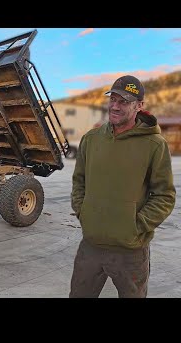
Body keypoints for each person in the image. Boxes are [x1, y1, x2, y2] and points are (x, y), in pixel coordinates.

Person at [70, 75, 176, 298]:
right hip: (91, 245)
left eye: (124, 102)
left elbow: (164, 195)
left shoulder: (154, 145)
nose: (115, 106)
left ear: (139, 106)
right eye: (113, 99)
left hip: (130, 251)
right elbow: (79, 181)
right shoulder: (91, 139)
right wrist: (84, 213)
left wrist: (136, 226)